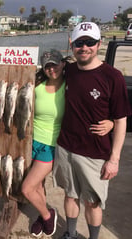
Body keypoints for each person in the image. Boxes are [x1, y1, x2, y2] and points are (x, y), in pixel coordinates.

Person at [21, 49, 114, 237]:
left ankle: (48, 216)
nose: (51, 69)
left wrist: (111, 121)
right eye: (47, 66)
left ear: (63, 64)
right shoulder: (36, 85)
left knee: (27, 188)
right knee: (38, 185)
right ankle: (42, 213)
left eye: (55, 64)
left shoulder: (71, 86)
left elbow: (94, 104)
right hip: (31, 142)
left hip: (52, 145)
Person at [53, 22, 131, 239]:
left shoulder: (112, 76)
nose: (84, 47)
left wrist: (114, 159)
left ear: (99, 44)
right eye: (79, 43)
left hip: (95, 154)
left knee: (93, 202)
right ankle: (70, 234)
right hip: (66, 147)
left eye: (89, 42)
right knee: (70, 196)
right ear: (72, 45)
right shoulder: (67, 70)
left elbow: (121, 120)